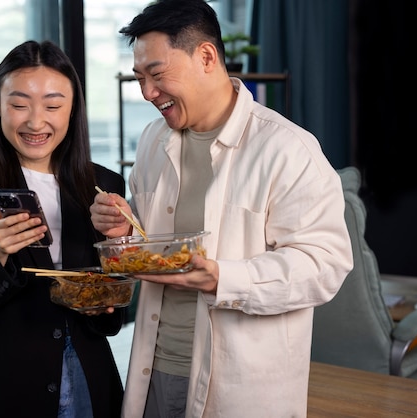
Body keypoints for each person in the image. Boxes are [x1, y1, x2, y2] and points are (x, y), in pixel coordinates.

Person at [89, 1, 354, 417]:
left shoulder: (287, 148)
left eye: (157, 75)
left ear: (207, 57)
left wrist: (223, 279)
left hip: (240, 387)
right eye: (140, 78)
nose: (147, 92)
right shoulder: (152, 140)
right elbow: (149, 237)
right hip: (154, 368)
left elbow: (325, 266)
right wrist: (121, 225)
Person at [0, 40, 125, 418]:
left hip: (89, 377)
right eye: (19, 105)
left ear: (73, 110)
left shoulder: (103, 184)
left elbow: (113, 316)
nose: (36, 122)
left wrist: (118, 248)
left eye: (53, 106)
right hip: (4, 386)